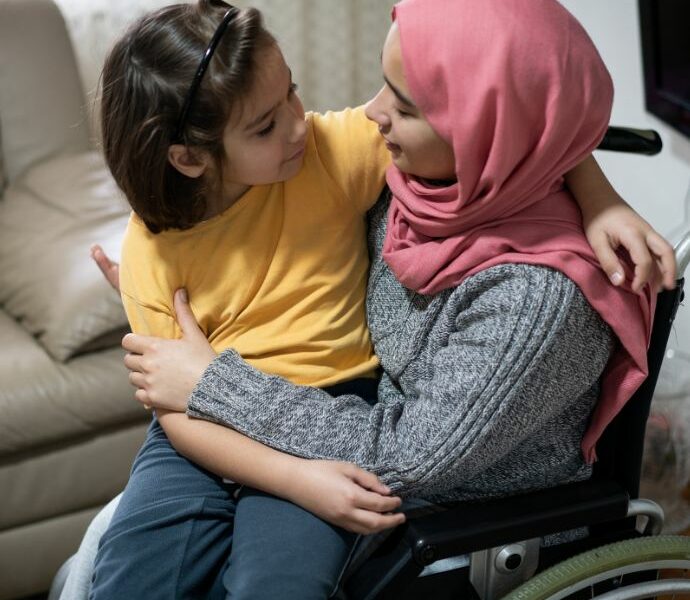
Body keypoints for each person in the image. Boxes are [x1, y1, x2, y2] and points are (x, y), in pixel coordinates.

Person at [66, 0, 675, 598]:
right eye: (385, 86)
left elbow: (409, 457)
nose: (373, 114)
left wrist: (212, 383)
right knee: (116, 563)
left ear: (480, 128)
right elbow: (526, 119)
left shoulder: (535, 302)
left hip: (433, 515)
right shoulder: (416, 181)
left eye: (403, 105)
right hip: (307, 433)